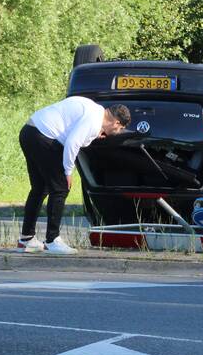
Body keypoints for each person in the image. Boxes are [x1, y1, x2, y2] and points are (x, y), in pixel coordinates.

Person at [17, 97, 130, 254]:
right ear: (117, 123)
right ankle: (52, 240)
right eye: (119, 130)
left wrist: (92, 136)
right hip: (43, 137)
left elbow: (74, 132)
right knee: (61, 188)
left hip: (29, 132)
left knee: (40, 188)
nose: (115, 133)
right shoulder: (94, 121)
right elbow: (72, 143)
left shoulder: (94, 110)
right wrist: (68, 172)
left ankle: (26, 239)